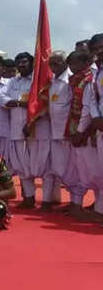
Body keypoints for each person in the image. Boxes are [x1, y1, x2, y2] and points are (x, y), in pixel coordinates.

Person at [1, 52, 48, 208]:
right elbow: (1, 98)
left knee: (41, 164)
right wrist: (16, 103)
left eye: (25, 62)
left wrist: (22, 104)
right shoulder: (12, 82)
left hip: (37, 130)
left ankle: (48, 199)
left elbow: (42, 103)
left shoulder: (37, 81)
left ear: (32, 63)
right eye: (19, 62)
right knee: (22, 166)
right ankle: (29, 198)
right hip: (16, 130)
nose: (22, 65)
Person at [65, 50, 95, 218]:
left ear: (85, 63)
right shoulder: (75, 80)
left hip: (87, 131)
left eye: (74, 63)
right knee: (76, 169)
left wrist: (82, 132)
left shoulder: (89, 80)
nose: (71, 67)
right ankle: (76, 204)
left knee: (91, 170)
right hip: (74, 130)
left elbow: (88, 109)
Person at [76, 34, 103, 220]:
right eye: (96, 49)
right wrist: (95, 119)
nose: (100, 52)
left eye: (102, 47)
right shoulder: (96, 75)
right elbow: (93, 101)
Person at [44, 51, 73, 210]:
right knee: (56, 167)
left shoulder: (70, 80)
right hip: (53, 131)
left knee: (70, 168)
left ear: (65, 63)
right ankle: (56, 200)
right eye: (51, 64)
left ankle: (75, 202)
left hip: (67, 133)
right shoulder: (53, 81)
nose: (54, 67)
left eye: (57, 63)